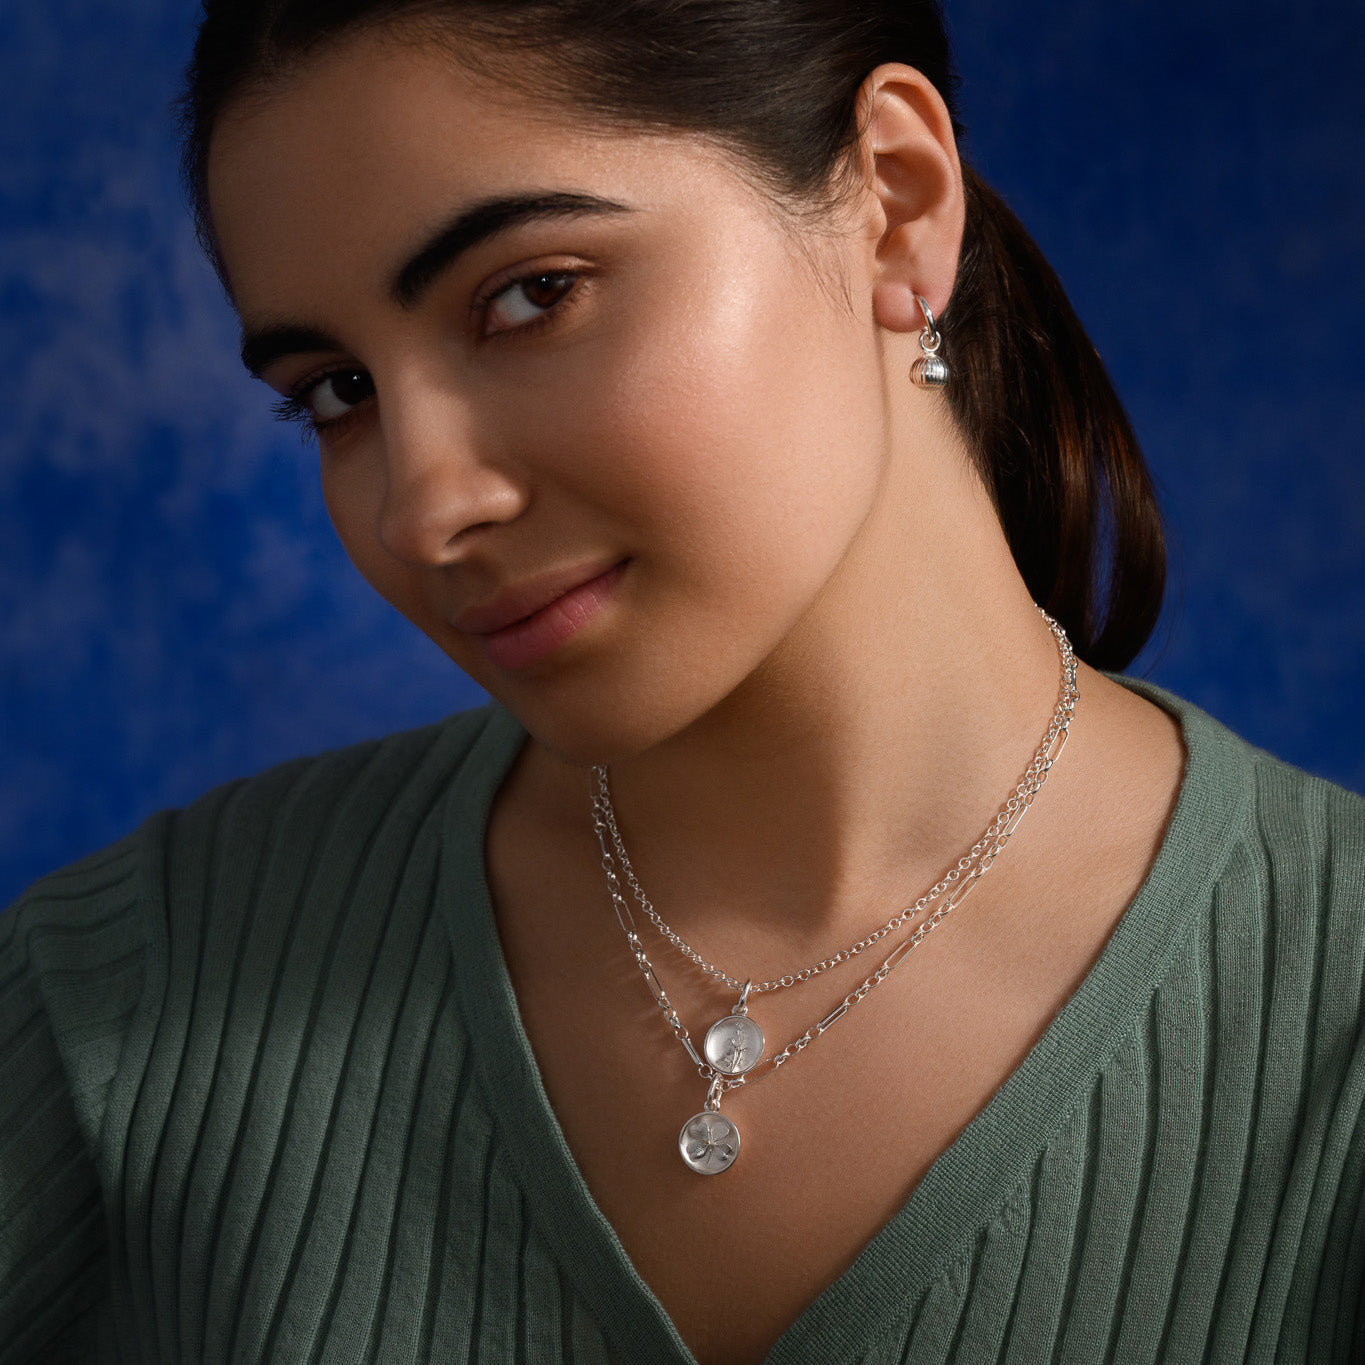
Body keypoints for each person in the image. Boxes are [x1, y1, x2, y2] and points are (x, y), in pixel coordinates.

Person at [1, 2, 1361, 1361]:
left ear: (892, 203)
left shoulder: (1330, 1017)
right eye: (338, 389)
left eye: (532, 293)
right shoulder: (127, 990)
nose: (422, 509)